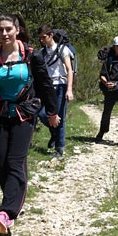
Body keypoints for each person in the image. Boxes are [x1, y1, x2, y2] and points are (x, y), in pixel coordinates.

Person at [0, 13, 60, 235]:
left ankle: (7, 212)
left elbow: (45, 84)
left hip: (24, 114)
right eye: (0, 30)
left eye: (8, 29)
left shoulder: (32, 56)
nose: (4, 34)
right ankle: (11, 199)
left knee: (15, 161)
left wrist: (52, 112)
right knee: (1, 163)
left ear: (17, 30)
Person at [36, 24, 75, 157]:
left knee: (59, 117)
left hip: (60, 85)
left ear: (51, 35)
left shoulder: (62, 50)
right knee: (41, 113)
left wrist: (69, 89)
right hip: (47, 87)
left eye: (44, 37)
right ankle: (54, 133)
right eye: (40, 38)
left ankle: (59, 148)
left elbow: (69, 70)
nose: (42, 40)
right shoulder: (42, 52)